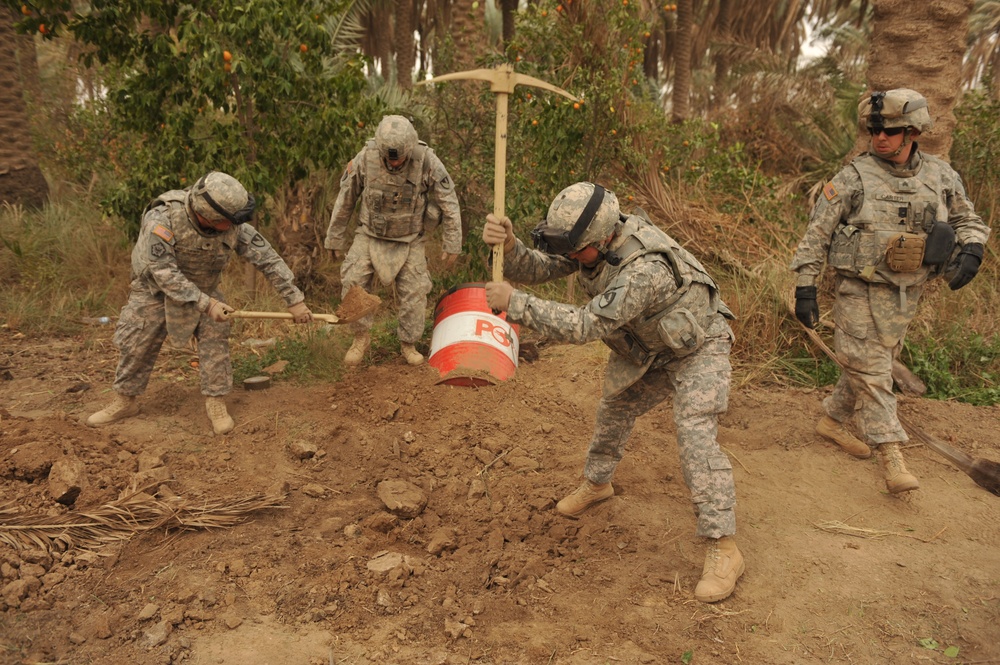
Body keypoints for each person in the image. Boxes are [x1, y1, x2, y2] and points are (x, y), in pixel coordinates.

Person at [482, 182, 744, 604]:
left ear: (602, 239)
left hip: (698, 346)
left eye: (574, 249)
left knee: (694, 431)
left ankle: (723, 546)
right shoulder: (591, 245)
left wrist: (517, 305)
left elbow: (586, 325)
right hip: (648, 348)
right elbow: (543, 267)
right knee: (613, 411)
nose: (568, 256)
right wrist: (510, 248)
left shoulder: (644, 270)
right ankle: (598, 484)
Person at [791, 88, 991, 493]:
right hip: (857, 290)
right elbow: (816, 235)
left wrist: (972, 247)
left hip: (906, 294)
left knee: (869, 365)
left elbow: (968, 217)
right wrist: (805, 287)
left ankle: (831, 421)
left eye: (891, 130)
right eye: (874, 130)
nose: (880, 138)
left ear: (913, 132)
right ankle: (891, 454)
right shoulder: (853, 177)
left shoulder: (940, 176)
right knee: (874, 372)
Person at [86, 171, 313, 435]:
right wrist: (206, 303)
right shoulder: (161, 219)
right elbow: (163, 273)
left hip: (206, 289)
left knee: (215, 341)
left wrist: (294, 299)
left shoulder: (232, 224)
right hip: (155, 292)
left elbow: (268, 259)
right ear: (207, 215)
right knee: (137, 342)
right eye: (229, 221)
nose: (233, 226)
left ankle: (216, 401)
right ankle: (125, 401)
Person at [324, 115, 463, 366]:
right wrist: (334, 237)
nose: (394, 162)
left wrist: (452, 242)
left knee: (415, 289)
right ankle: (360, 337)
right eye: (390, 158)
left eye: (399, 158)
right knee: (353, 281)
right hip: (369, 234)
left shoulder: (426, 160)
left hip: (410, 238)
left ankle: (408, 343)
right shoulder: (365, 158)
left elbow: (448, 201)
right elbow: (347, 197)